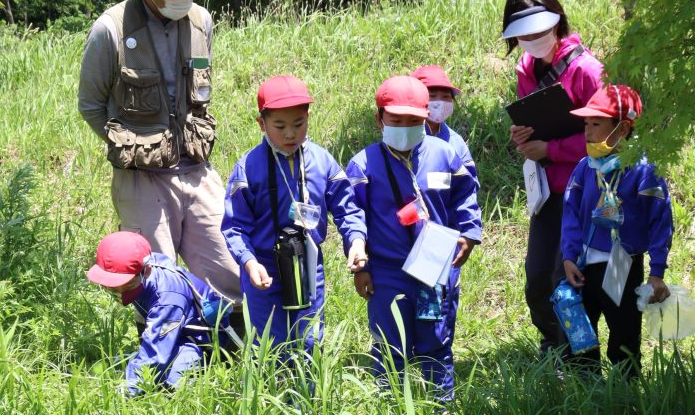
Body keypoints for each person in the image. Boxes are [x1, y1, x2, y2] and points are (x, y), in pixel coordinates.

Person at [78, 0, 241, 303]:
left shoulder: (202, 21)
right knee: (155, 279)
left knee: (229, 269)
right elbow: (90, 104)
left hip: (197, 170)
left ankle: (231, 349)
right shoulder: (111, 29)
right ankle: (163, 354)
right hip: (141, 178)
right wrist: (130, 147)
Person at [346, 75, 482, 397]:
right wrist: (361, 263)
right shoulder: (364, 164)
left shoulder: (444, 154)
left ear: (425, 118)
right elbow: (354, 215)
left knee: (435, 342)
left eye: (414, 120)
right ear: (380, 119)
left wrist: (469, 233)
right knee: (390, 345)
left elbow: (465, 196)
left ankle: (440, 409)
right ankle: (390, 410)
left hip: (435, 268)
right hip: (387, 272)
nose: (405, 127)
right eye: (397, 120)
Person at [222, 75, 368, 358]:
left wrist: (357, 242)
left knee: (310, 341)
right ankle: (270, 400)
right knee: (268, 346)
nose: (290, 134)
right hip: (264, 270)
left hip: (308, 264)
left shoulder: (322, 162)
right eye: (280, 126)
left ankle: (309, 400)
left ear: (308, 117)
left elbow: (347, 208)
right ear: (261, 123)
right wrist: (249, 262)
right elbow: (235, 226)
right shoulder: (248, 169)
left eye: (298, 124)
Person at [502, 0, 604, 355]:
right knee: (537, 278)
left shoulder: (587, 71)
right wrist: (524, 138)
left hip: (583, 192)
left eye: (538, 30)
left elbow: (607, 139)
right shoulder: (526, 69)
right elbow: (535, 122)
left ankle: (581, 357)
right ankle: (554, 345)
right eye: (522, 34)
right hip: (546, 192)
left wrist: (553, 149)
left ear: (557, 21)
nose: (531, 39)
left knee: (569, 279)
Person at [560, 84, 672, 375]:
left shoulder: (643, 171)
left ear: (622, 129)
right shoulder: (585, 168)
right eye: (586, 123)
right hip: (582, 266)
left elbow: (660, 221)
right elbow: (571, 214)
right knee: (580, 336)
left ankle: (625, 394)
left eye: (596, 124)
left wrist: (657, 270)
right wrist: (569, 256)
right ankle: (585, 391)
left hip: (621, 264)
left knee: (623, 334)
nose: (587, 131)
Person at [86, 231, 234, 396]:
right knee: (121, 366)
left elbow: (155, 354)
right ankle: (136, 364)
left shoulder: (168, 299)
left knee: (172, 381)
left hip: (198, 341)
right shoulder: (140, 270)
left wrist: (124, 393)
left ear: (146, 271)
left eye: (126, 285)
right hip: (172, 331)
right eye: (111, 285)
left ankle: (199, 368)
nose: (119, 290)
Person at [411, 64, 478, 178]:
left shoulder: (456, 142)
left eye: (446, 97)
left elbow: (469, 184)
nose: (439, 103)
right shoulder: (404, 138)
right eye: (431, 96)